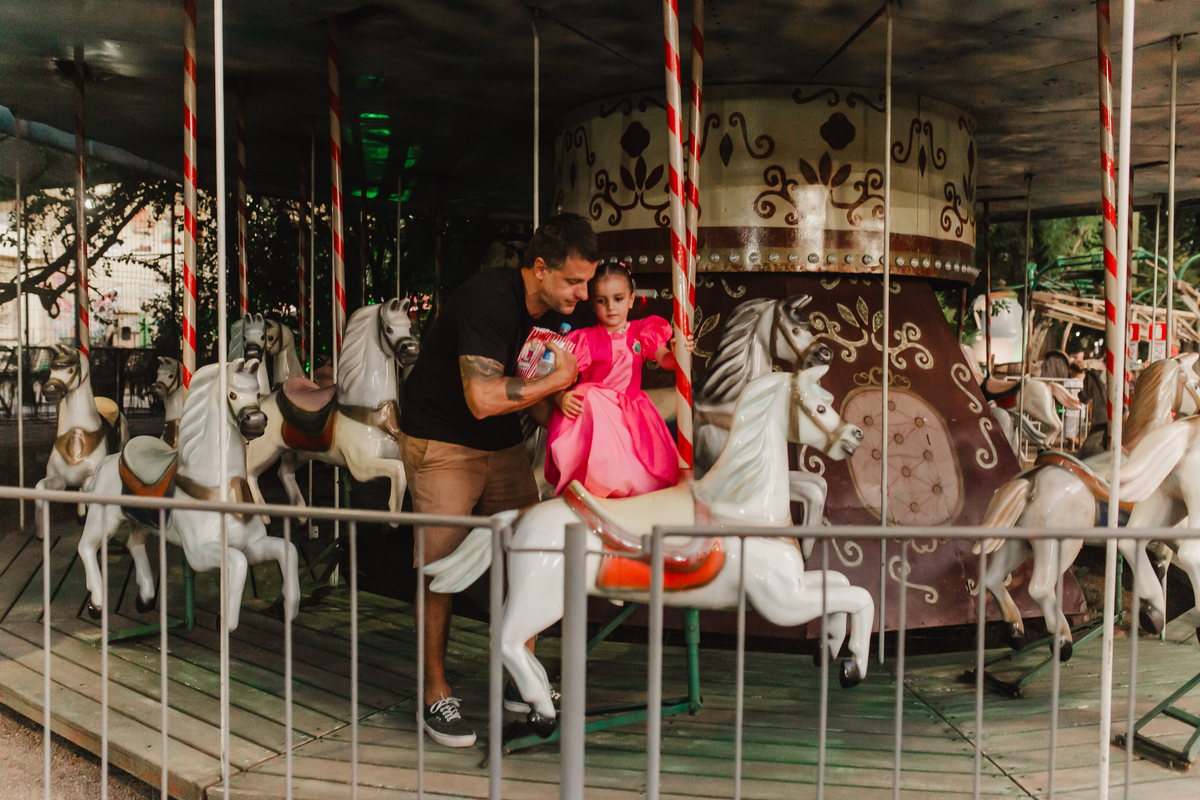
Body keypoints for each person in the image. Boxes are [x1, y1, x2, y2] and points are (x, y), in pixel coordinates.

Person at [399, 213, 600, 747]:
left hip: (501, 442)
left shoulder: (557, 316)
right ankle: (434, 693)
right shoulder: (488, 298)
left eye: (587, 282)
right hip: (443, 439)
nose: (583, 294)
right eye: (573, 281)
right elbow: (484, 399)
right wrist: (558, 381)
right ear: (540, 268)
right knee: (439, 566)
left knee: (529, 552)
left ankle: (521, 677)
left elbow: (532, 397)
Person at [546, 262, 687, 498]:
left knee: (641, 473)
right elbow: (557, 378)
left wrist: (678, 352)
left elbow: (665, 360)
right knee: (589, 394)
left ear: (631, 300)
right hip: (599, 415)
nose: (611, 307)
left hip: (630, 411)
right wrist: (560, 397)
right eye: (602, 301)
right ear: (593, 304)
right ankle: (600, 476)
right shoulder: (585, 340)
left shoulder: (642, 331)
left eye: (618, 299)